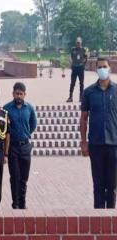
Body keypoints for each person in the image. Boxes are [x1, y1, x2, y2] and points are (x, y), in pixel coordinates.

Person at [80, 57, 117, 209]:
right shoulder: (88, 92)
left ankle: (111, 220)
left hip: (114, 144)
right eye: (99, 67)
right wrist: (83, 142)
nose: (102, 69)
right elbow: (83, 119)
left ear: (110, 68)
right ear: (96, 70)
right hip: (95, 144)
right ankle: (98, 220)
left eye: (105, 66)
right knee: (98, 184)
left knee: (112, 185)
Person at [4, 82, 37, 209]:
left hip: (25, 147)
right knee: (15, 176)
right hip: (12, 147)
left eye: (21, 94)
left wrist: (25, 134)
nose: (18, 96)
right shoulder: (6, 109)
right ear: (13, 93)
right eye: (16, 93)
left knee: (24, 177)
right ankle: (15, 203)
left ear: (25, 95)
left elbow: (33, 124)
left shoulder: (29, 108)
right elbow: (3, 128)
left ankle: (22, 203)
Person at [67, 37, 88, 103]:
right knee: (72, 83)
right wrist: (71, 63)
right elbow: (70, 57)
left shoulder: (84, 50)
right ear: (76, 43)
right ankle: (70, 97)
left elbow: (86, 58)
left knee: (81, 83)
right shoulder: (73, 49)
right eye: (77, 42)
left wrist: (84, 65)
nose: (78, 44)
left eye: (79, 42)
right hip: (74, 68)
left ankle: (81, 98)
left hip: (81, 68)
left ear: (81, 42)